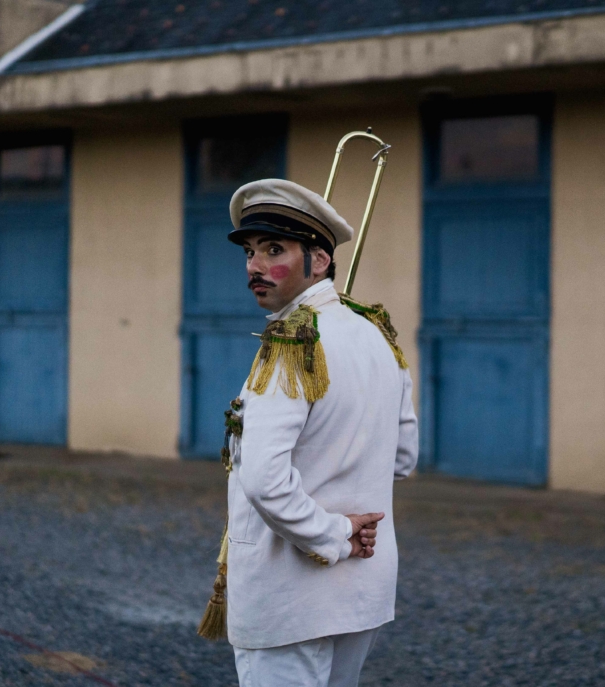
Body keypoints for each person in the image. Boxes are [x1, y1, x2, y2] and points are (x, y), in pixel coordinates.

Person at [198, 178, 419, 687]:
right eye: (250, 251)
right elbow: (403, 458)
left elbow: (264, 480)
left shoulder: (292, 343)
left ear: (319, 261)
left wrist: (337, 534)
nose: (254, 265)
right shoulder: (377, 335)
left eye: (274, 249)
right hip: (361, 592)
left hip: (290, 595)